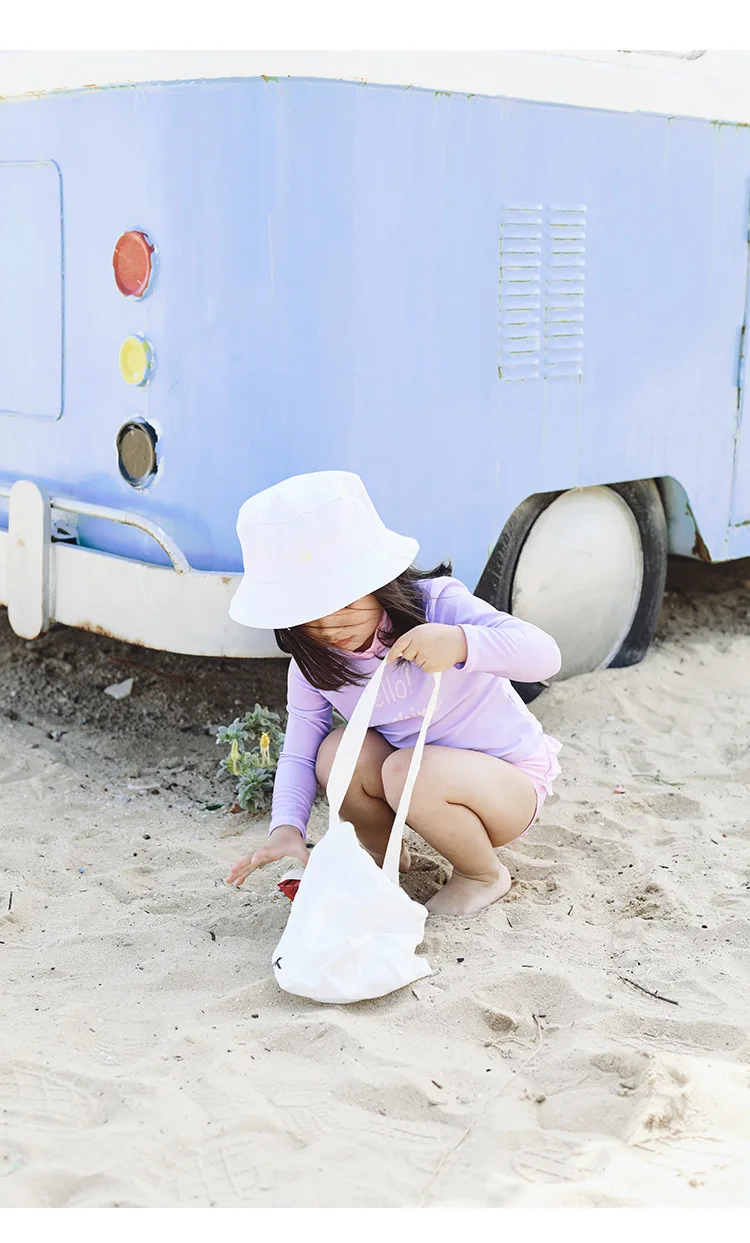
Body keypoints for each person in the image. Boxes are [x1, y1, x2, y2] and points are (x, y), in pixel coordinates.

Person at [225, 471, 562, 917]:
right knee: (334, 753)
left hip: (506, 786)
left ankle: (482, 873)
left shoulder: (436, 604)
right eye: (309, 614)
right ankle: (385, 855)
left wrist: (461, 643)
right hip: (420, 782)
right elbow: (299, 755)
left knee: (406, 769)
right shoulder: (315, 661)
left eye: (344, 602)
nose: (330, 627)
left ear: (379, 579)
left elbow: (546, 656)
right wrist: (286, 826)